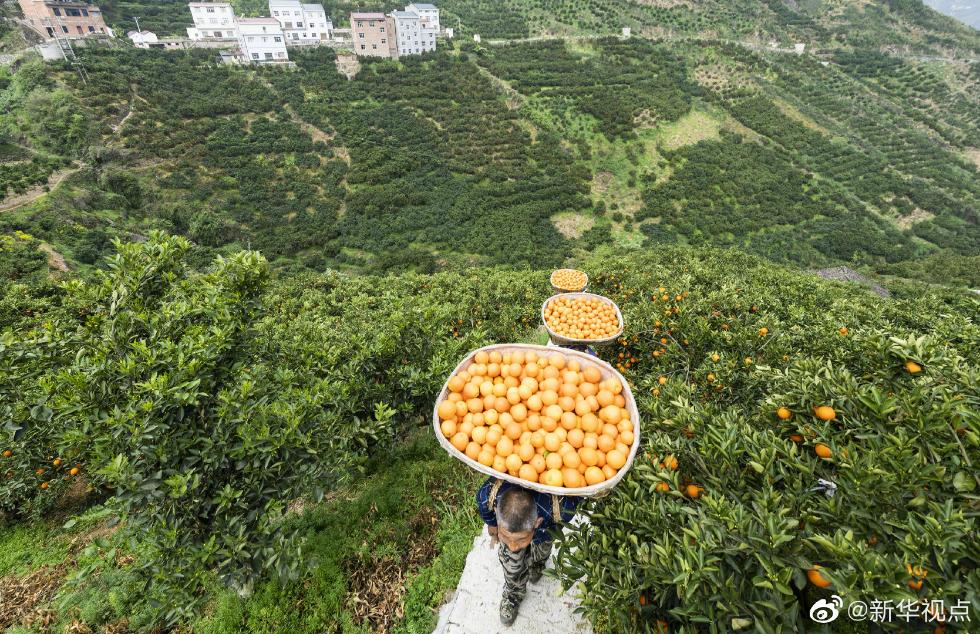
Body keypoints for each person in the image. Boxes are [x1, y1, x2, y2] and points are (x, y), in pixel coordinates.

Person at [475, 477, 582, 626]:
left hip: (546, 528)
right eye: (506, 536)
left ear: (536, 522)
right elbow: (485, 511)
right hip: (521, 525)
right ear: (496, 511)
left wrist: (543, 535)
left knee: (542, 548)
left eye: (520, 540)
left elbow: (579, 489)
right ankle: (513, 594)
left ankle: (537, 564)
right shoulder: (487, 495)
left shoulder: (562, 508)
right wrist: (492, 525)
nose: (513, 546)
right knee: (512, 564)